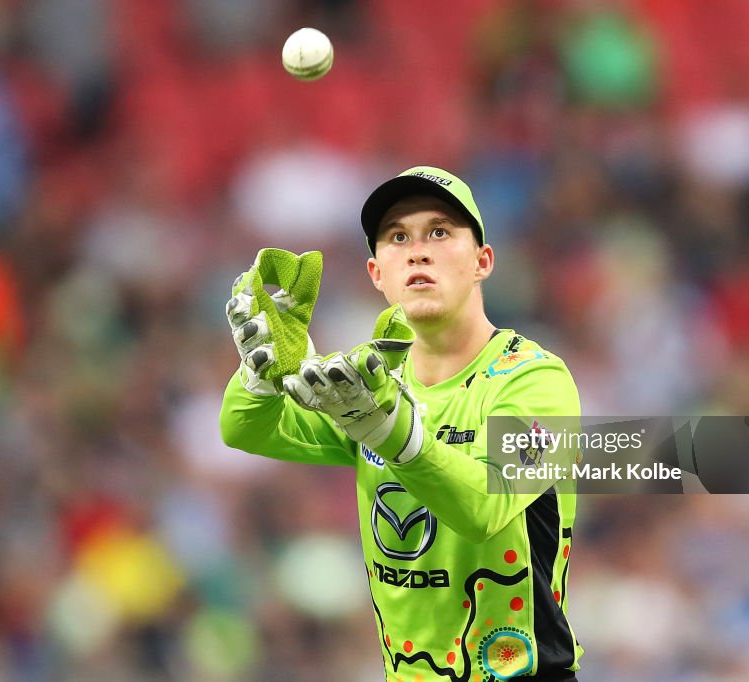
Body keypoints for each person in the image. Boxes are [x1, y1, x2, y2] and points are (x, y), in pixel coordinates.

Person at [221, 166, 583, 681]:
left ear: (482, 261)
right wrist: (260, 376)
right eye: (397, 237)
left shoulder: (535, 380)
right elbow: (244, 429)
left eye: (440, 231)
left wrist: (389, 430)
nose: (418, 250)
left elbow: (486, 507)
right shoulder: (366, 385)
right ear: (376, 274)